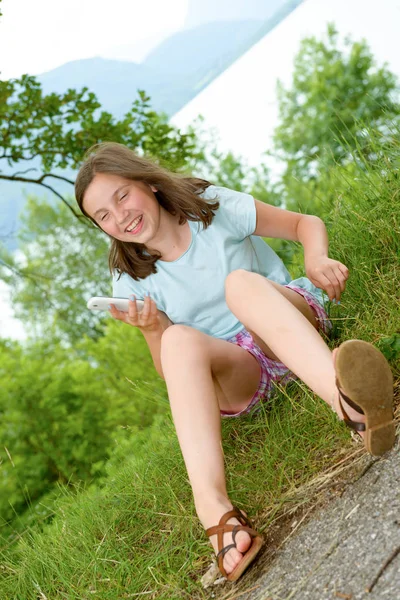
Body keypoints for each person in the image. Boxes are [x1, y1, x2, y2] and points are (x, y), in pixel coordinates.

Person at [75, 142, 395, 583]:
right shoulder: (130, 276)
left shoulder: (209, 206)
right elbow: (176, 373)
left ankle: (348, 404)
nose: (120, 216)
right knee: (179, 341)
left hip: (284, 323)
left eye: (122, 196)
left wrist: (316, 257)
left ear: (147, 182)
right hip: (241, 371)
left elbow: (304, 224)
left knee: (239, 284)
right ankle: (214, 509)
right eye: (103, 216)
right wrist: (153, 330)